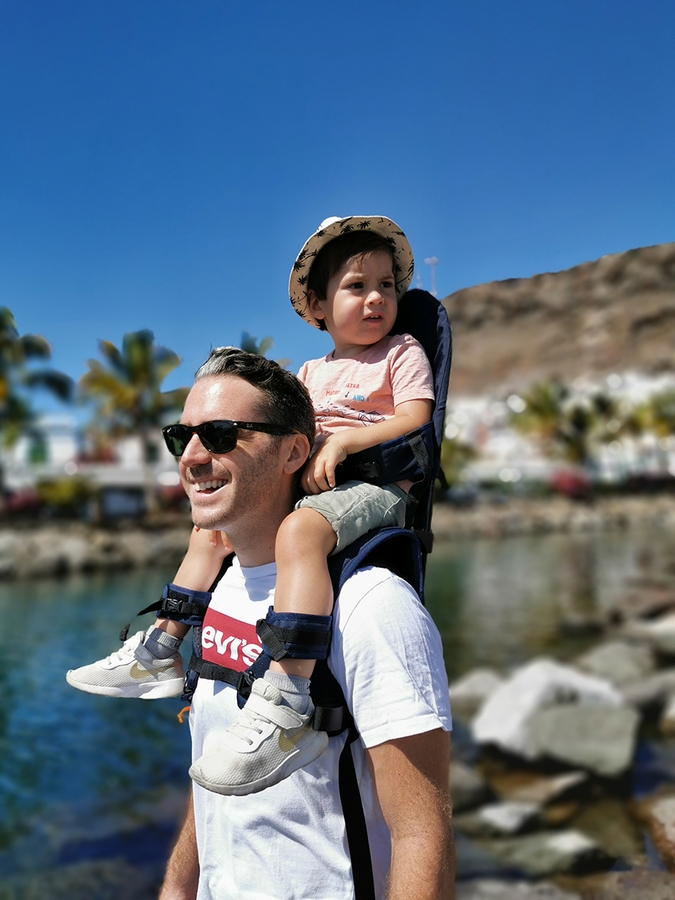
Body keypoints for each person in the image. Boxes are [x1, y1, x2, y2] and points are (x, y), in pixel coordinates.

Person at [68, 216, 438, 800]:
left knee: (299, 534)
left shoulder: (401, 351)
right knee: (211, 533)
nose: (376, 298)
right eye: (357, 286)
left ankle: (287, 697)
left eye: (386, 286)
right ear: (318, 306)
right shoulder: (312, 371)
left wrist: (345, 442)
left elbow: (416, 418)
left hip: (375, 483)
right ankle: (163, 645)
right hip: (318, 477)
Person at [157, 345, 453, 900]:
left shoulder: (370, 604)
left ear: (296, 451)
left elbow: (421, 835)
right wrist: (177, 889)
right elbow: (215, 770)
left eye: (220, 435)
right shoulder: (220, 589)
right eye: (181, 436)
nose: (192, 456)